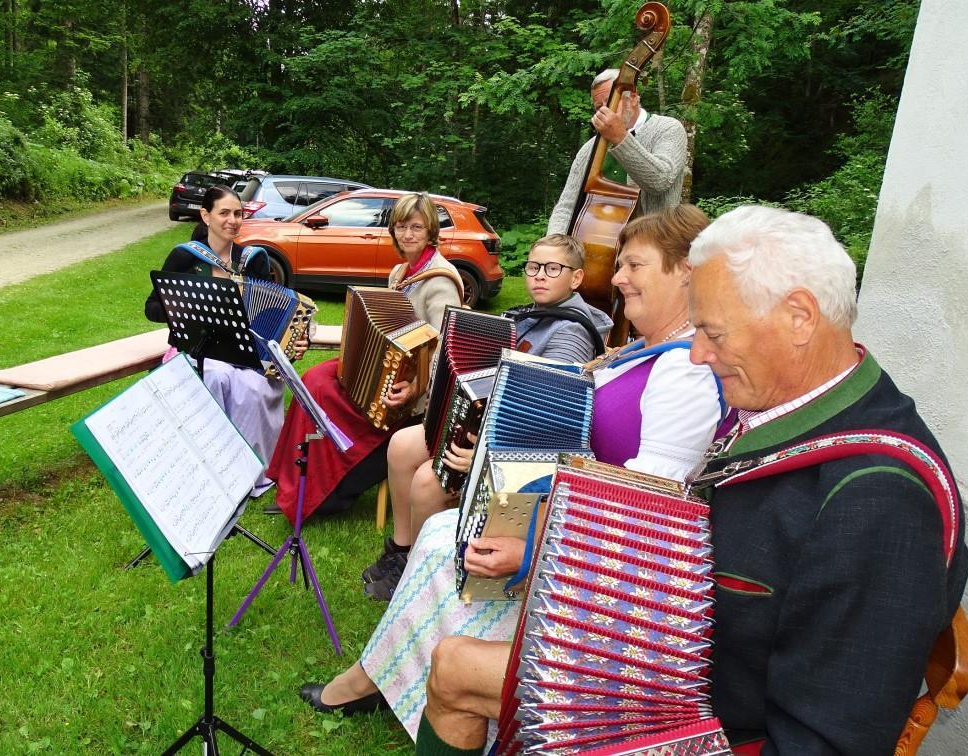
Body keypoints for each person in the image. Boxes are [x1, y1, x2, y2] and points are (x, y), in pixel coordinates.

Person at [413, 206, 968, 756]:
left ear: (799, 317)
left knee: (457, 668)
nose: (699, 355)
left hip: (705, 720)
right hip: (685, 657)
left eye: (713, 332)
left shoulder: (879, 501)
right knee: (460, 658)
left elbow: (826, 740)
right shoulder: (791, 412)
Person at [300, 206, 724, 743]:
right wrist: (490, 452)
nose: (617, 278)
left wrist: (530, 548)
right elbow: (576, 441)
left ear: (686, 271)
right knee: (441, 534)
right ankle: (393, 676)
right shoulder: (644, 351)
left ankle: (395, 682)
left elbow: (643, 509)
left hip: (594, 566)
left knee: (444, 543)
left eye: (633, 266)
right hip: (565, 516)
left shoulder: (686, 372)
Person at [362, 233, 613, 601]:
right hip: (482, 426)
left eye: (552, 269)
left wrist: (483, 454)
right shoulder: (525, 317)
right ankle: (402, 550)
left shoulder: (573, 332)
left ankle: (418, 572)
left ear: (576, 278)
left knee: (428, 480)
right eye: (533, 267)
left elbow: (543, 416)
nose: (539, 276)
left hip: (516, 450)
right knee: (402, 445)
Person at [265, 192, 464, 522]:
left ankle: (322, 494)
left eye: (416, 227)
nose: (408, 234)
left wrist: (415, 386)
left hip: (410, 396)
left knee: (323, 392)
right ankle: (296, 481)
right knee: (314, 380)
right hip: (388, 370)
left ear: (431, 231)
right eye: (401, 226)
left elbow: (446, 350)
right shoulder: (400, 272)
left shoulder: (441, 280)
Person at [144, 184, 293, 496]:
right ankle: (214, 466)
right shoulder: (185, 257)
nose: (232, 220)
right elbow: (152, 308)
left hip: (243, 350)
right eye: (224, 213)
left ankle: (250, 469)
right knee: (219, 376)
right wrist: (186, 310)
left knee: (258, 386)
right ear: (206, 216)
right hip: (198, 349)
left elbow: (269, 312)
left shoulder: (253, 259)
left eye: (238, 213)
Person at [547, 68, 687, 235]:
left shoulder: (668, 128)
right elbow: (566, 207)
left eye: (610, 103)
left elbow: (660, 181)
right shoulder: (589, 148)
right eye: (598, 107)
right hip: (597, 243)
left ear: (633, 97)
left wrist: (620, 138)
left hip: (656, 242)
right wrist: (554, 243)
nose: (603, 112)